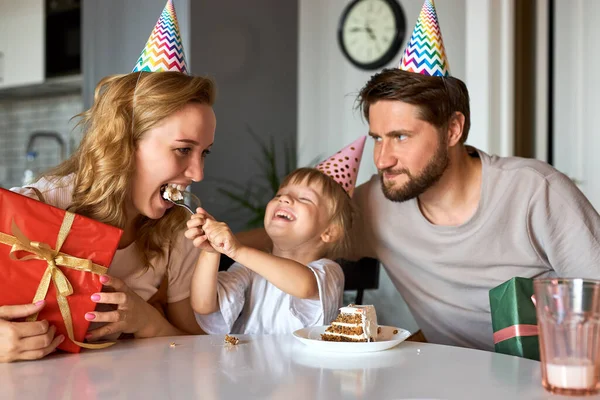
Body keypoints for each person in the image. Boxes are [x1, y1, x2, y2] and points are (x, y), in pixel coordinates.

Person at [0, 1, 211, 362]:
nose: (198, 173)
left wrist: (149, 323)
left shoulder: (178, 235)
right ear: (125, 142)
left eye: (204, 152)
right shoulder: (39, 207)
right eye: (182, 150)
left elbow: (196, 348)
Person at [186, 137, 366, 335]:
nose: (285, 199)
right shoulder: (248, 269)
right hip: (247, 366)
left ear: (329, 232)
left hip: (305, 367)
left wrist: (237, 250)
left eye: (304, 198)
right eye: (279, 195)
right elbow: (204, 305)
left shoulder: (329, 272)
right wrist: (211, 251)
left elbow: (304, 286)